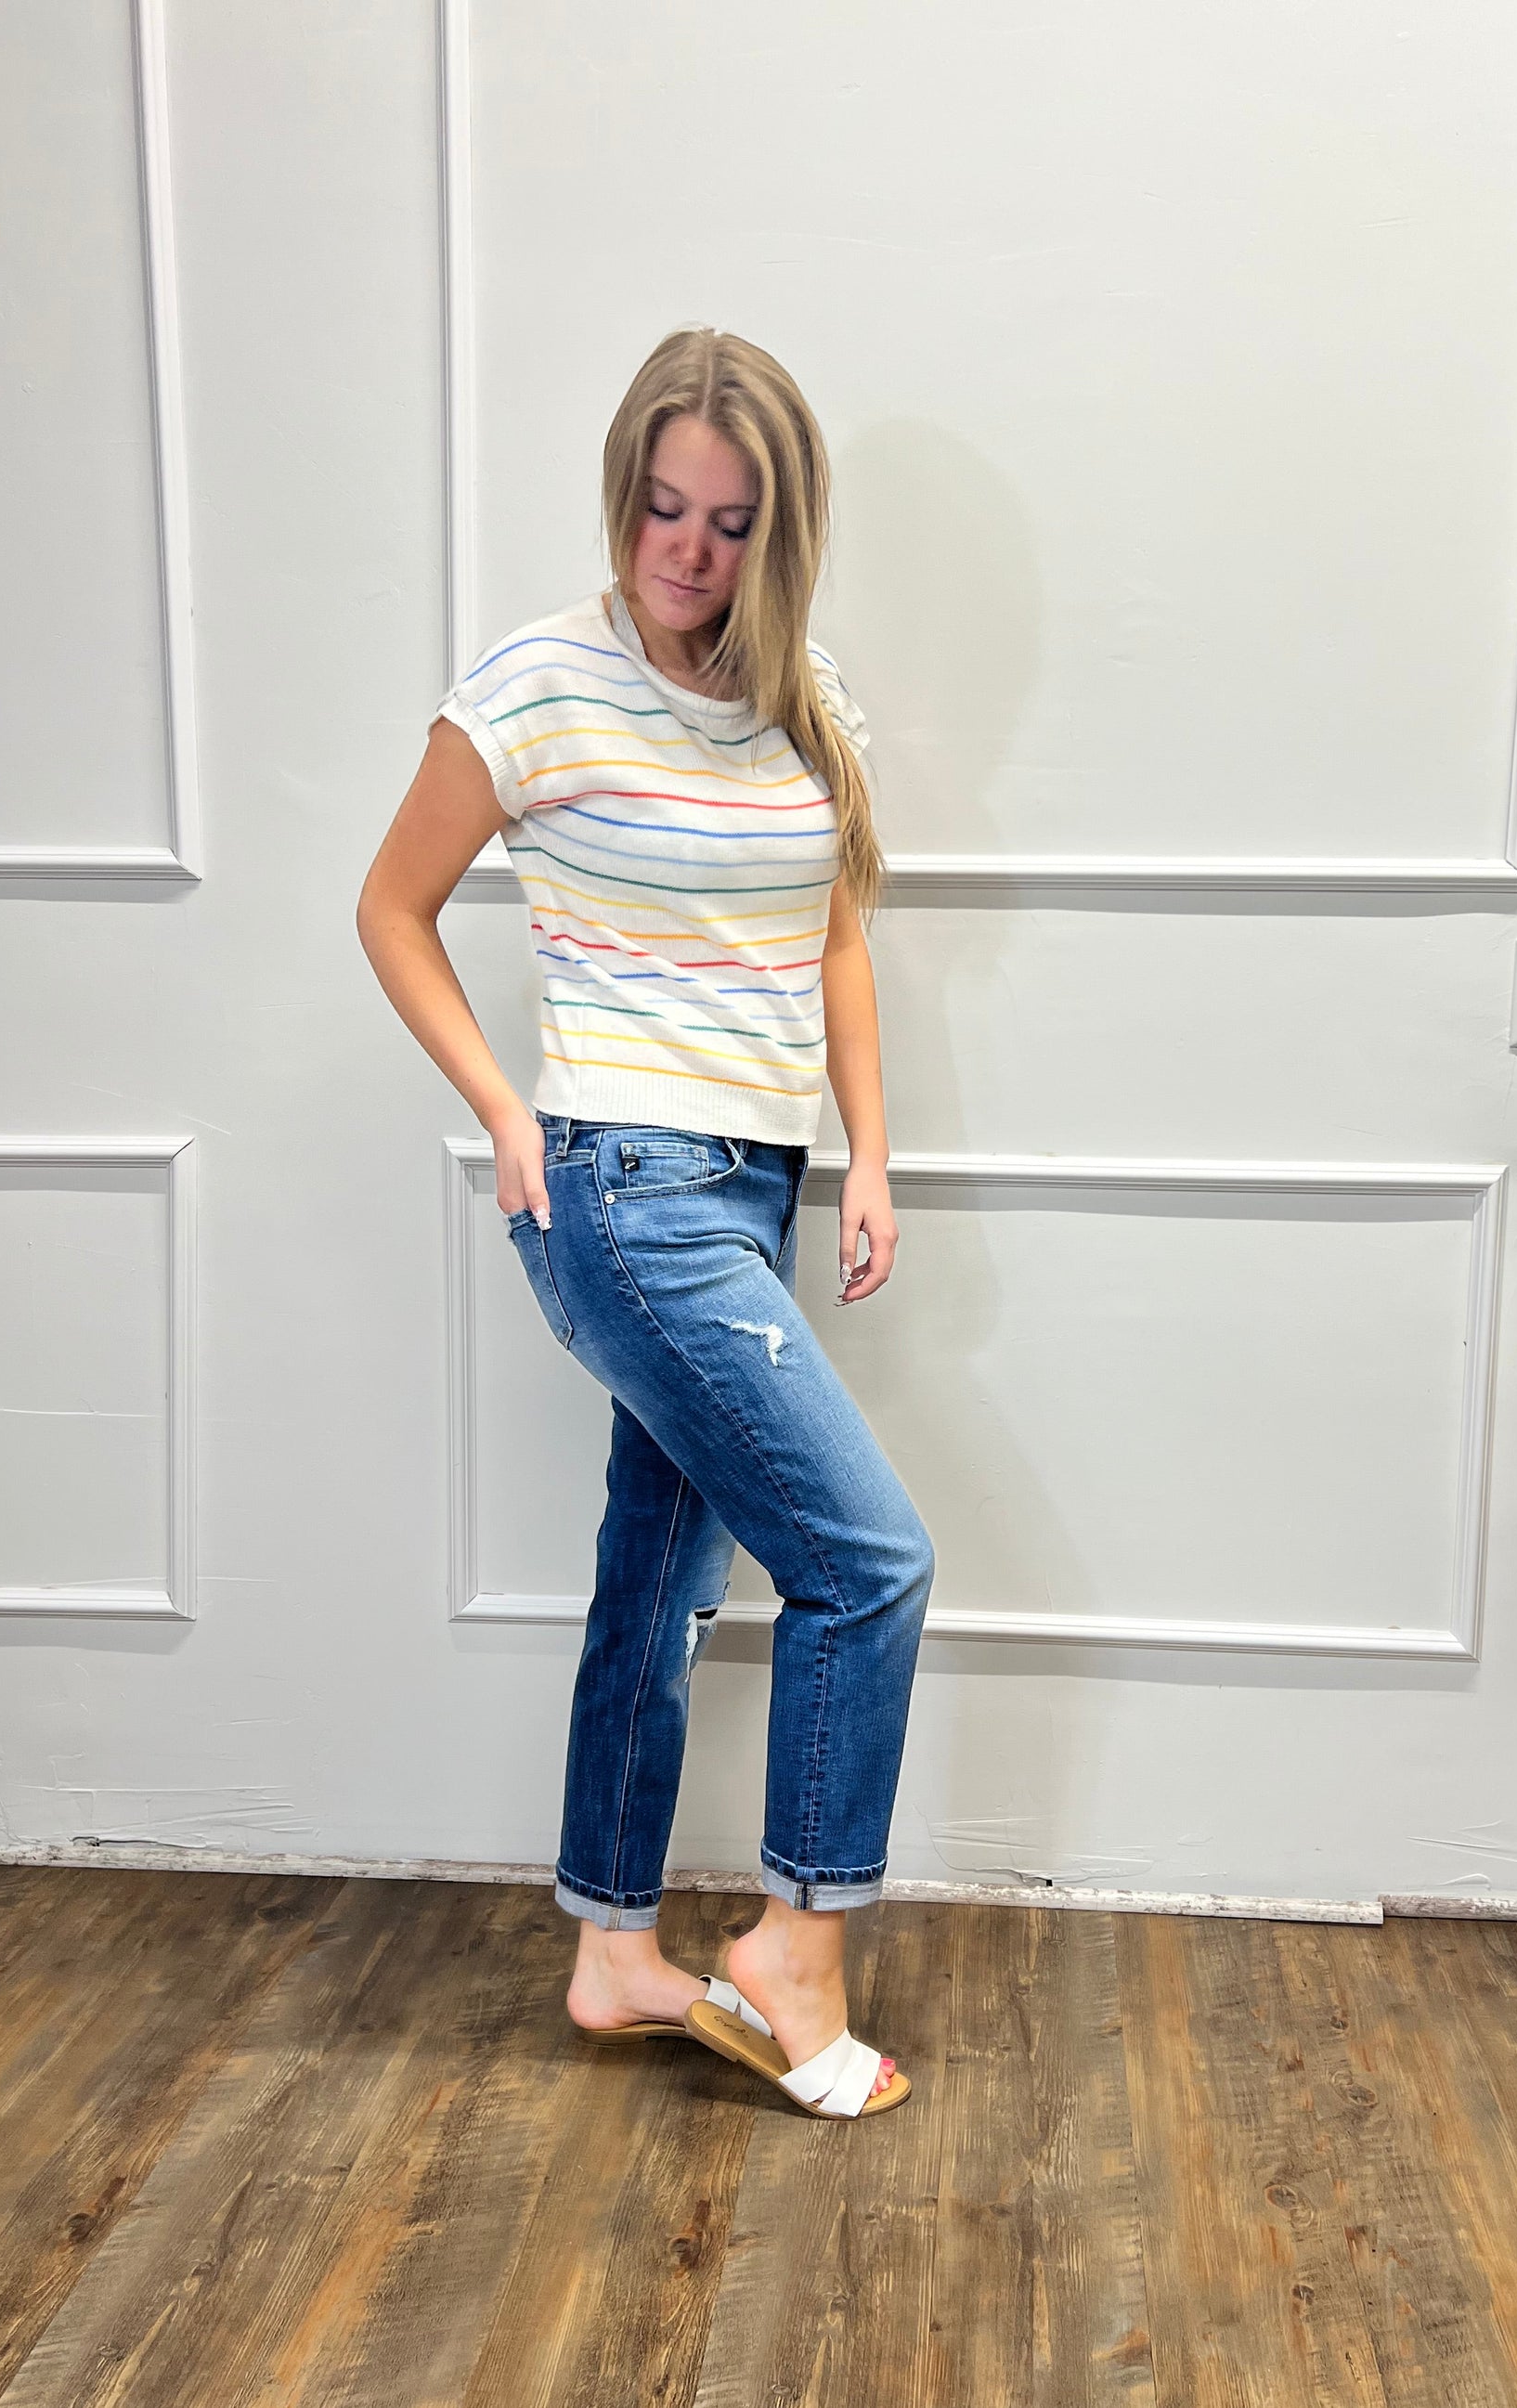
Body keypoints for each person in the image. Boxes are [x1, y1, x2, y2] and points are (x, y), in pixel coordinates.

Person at [357, 327, 931, 2118]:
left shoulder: (805, 694)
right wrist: (503, 1104)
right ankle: (795, 1945)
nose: (687, 549)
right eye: (661, 507)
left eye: (730, 522)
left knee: (660, 1574)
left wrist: (869, 1154)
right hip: (618, 1183)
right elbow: (390, 905)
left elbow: (832, 936)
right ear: (623, 493)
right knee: (868, 1560)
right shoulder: (535, 683)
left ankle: (613, 1945)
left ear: (782, 530)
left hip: (749, 1187)